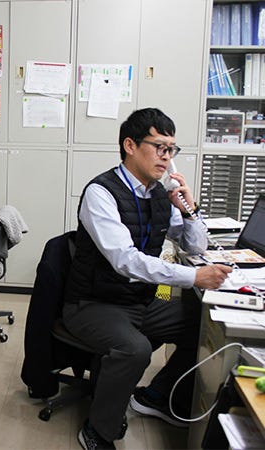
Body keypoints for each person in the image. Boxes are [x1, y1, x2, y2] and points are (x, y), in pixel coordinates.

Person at [63, 108, 232, 450]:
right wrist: (194, 277)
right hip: (93, 302)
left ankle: (157, 396)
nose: (166, 157)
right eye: (159, 147)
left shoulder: (159, 194)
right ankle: (98, 429)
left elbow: (195, 246)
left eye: (171, 149)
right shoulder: (101, 193)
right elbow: (125, 260)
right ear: (130, 145)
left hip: (142, 299)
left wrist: (190, 211)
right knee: (135, 349)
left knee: (203, 324)